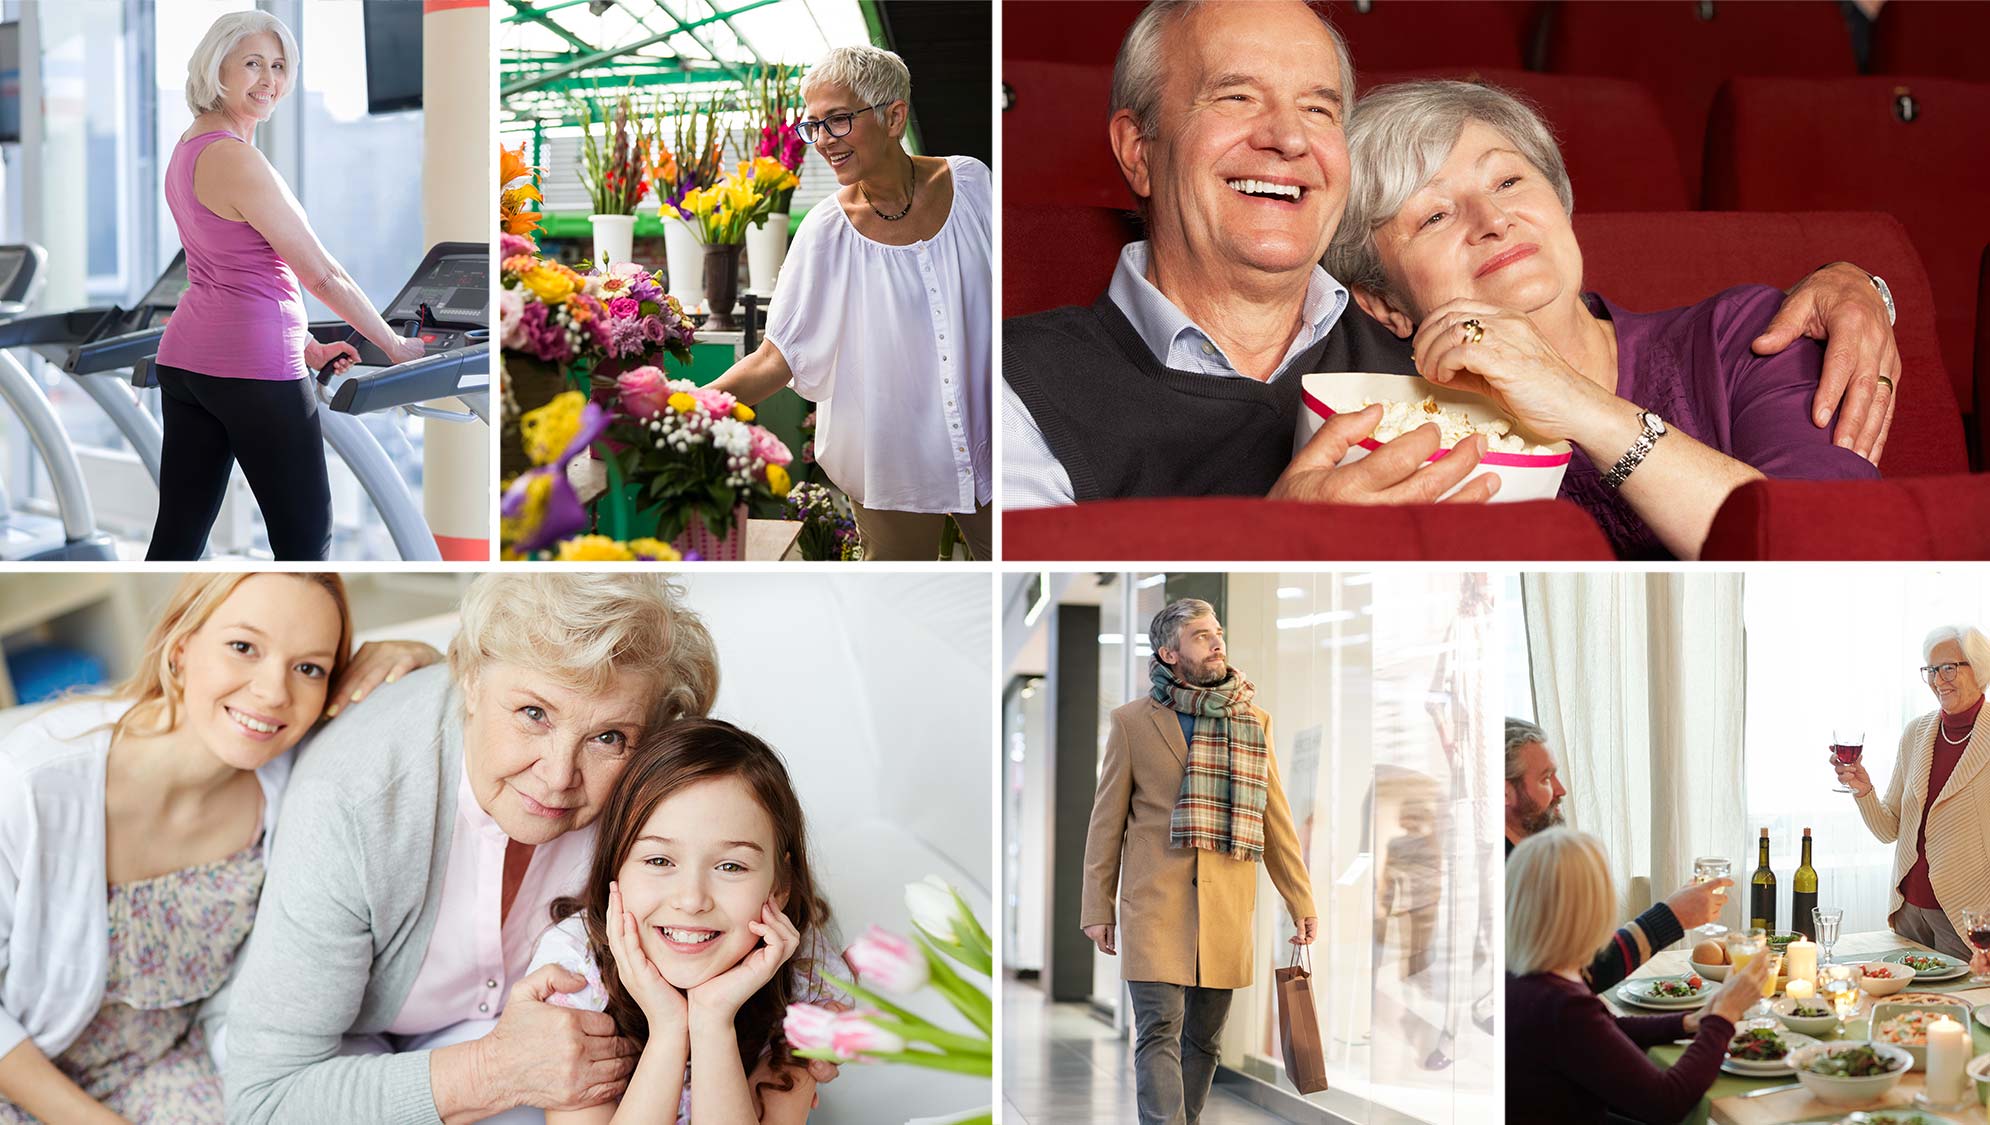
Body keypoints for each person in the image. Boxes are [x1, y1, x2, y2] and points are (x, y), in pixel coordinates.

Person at [1003, 0, 1902, 514]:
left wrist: (1862, 286)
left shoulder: (1457, 373)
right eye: (1236, 96)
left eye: (1319, 108)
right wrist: (1283, 539)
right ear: (1137, 149)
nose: (1284, 136)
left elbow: (1828, 544)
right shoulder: (1012, 380)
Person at [222, 574, 834, 1124]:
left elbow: (743, 860)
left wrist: (777, 1019)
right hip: (344, 1061)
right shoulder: (352, 799)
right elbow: (265, 1098)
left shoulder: (648, 790)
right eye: (534, 713)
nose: (559, 775)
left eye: (608, 737)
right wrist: (495, 1069)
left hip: (545, 1061)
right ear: (469, 678)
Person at [1326, 81, 1879, 559]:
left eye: (1508, 182)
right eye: (1435, 215)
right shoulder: (1384, 445)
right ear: (1384, 305)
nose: (1493, 220)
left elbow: (1828, 552)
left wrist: (1576, 402)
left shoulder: (1746, 334)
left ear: (1561, 203)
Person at [0, 573, 439, 1124]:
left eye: (309, 668)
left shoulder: (294, 777)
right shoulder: (30, 784)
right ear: (181, 647)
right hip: (24, 1079)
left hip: (171, 1069)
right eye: (243, 648)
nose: (273, 692)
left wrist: (416, 657)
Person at [149, 11, 426, 561]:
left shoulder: (189, 148)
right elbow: (322, 273)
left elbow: (229, 264)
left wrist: (306, 346)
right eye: (252, 63)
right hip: (250, 366)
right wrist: (396, 347)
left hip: (187, 361)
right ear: (216, 68)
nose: (268, 79)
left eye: (278, 66)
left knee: (178, 536)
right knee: (305, 540)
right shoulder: (235, 157)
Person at [708, 45, 991, 561]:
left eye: (837, 121)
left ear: (893, 116)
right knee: (896, 605)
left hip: (993, 446)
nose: (822, 141)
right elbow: (777, 357)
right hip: (890, 463)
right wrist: (692, 404)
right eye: (812, 125)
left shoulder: (972, 185)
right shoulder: (825, 231)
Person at [1080, 598, 1315, 1125]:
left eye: (1217, 633)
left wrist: (1300, 899)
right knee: (1158, 1030)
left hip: (1225, 905)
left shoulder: (1253, 720)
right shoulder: (1133, 723)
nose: (1216, 642)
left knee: (1204, 1040)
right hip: (1155, 902)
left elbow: (1274, 820)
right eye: (1200, 635)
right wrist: (1098, 905)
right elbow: (1106, 823)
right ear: (1169, 652)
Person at [533, 720, 831, 1125]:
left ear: (778, 886)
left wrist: (712, 1021)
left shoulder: (806, 977)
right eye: (659, 860)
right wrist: (669, 1029)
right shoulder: (577, 967)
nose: (691, 900)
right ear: (615, 867)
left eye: (731, 866)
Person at [1507, 828, 1771, 1125]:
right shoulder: (1562, 1006)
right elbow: (1669, 1101)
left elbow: (1603, 1030)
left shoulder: (1522, 976)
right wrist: (1724, 1015)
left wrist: (1689, 1022)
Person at [1505, 718, 1728, 991]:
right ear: (1505, 793)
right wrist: (1673, 916)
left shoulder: (1524, 859)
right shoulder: (1501, 876)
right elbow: (1584, 973)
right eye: (1545, 778)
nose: (1560, 790)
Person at [1835, 624, 1990, 961]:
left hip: (1966, 918)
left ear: (1978, 668)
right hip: (1908, 911)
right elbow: (1889, 828)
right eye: (1932, 670)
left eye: (1949, 667)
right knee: (1907, 1011)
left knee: (1959, 1008)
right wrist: (1864, 790)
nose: (1938, 680)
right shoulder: (1916, 733)